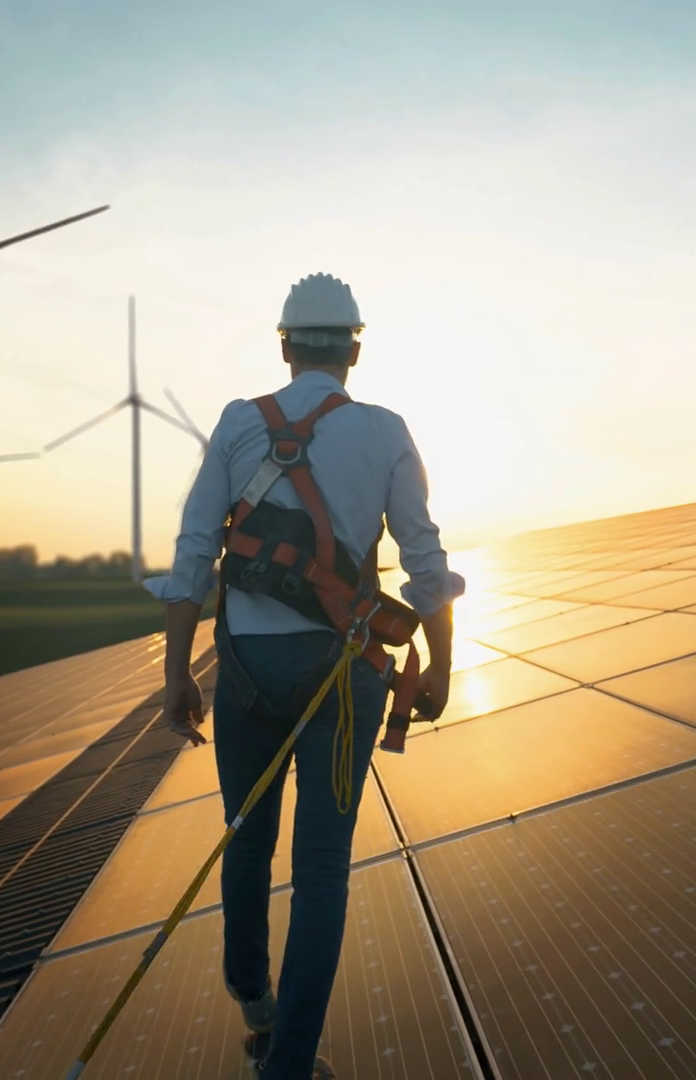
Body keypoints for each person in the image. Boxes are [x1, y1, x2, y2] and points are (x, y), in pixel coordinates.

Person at [145, 272, 463, 1078]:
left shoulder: (237, 422)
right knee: (321, 870)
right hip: (342, 677)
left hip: (246, 673)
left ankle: (254, 1004)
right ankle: (287, 1066)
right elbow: (426, 565)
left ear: (285, 347)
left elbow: (193, 553)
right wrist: (440, 664)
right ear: (355, 349)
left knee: (246, 838)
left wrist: (178, 672)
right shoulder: (385, 431)